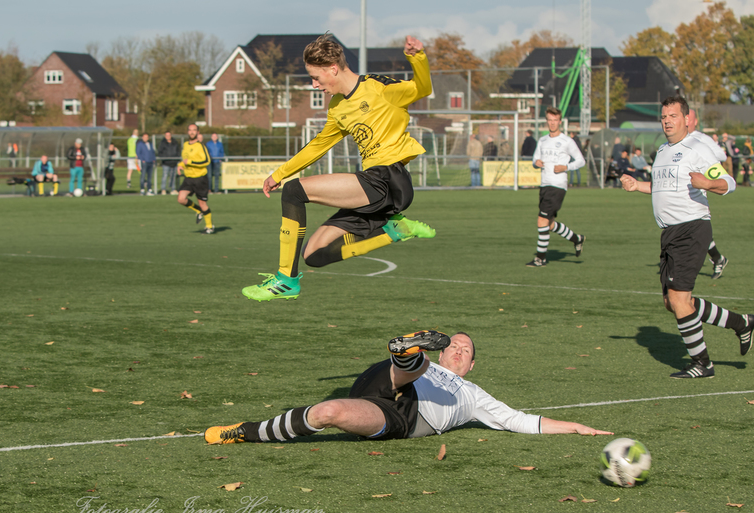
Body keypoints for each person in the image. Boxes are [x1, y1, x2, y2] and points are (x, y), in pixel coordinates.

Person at [241, 34, 435, 302]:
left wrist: (417, 57)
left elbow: (422, 88)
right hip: (373, 187)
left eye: (316, 78)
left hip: (388, 179)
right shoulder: (338, 106)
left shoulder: (378, 88)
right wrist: (279, 173)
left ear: (333, 68)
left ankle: (285, 280)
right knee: (314, 255)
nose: (314, 84)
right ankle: (394, 231)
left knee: (294, 192)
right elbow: (319, 145)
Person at [205, 330, 613, 445]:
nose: (457, 351)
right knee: (413, 367)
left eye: (464, 349)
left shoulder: (474, 397)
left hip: (403, 416)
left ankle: (245, 430)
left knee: (327, 413)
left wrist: (576, 426)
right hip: (389, 377)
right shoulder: (434, 366)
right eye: (452, 345)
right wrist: (414, 363)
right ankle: (406, 353)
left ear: (472, 364)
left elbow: (521, 421)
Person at [619, 95, 753, 379]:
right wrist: (637, 186)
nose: (667, 121)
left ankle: (703, 363)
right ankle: (741, 323)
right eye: (664, 117)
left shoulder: (696, 148)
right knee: (673, 302)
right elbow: (660, 187)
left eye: (673, 116)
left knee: (680, 299)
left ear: (686, 118)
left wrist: (707, 183)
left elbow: (728, 182)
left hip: (692, 229)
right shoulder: (663, 150)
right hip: (669, 234)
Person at [526, 107, 586, 267]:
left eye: (555, 120)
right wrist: (536, 163)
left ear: (560, 122)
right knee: (549, 223)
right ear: (547, 121)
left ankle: (540, 258)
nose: (552, 123)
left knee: (541, 220)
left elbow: (581, 161)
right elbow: (535, 159)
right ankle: (577, 239)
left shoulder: (567, 141)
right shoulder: (542, 140)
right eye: (549, 120)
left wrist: (565, 167)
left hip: (558, 185)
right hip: (544, 184)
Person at [686, 110, 730, 279]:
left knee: (696, 227)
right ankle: (717, 258)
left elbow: (721, 155)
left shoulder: (701, 139)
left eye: (690, 118)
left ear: (695, 121)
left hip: (697, 185)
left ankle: (716, 258)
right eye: (684, 117)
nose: (687, 120)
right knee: (691, 229)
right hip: (681, 188)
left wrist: (703, 158)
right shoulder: (676, 140)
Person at [177, 123, 215, 234]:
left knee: (203, 204)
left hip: (200, 179)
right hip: (188, 178)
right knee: (181, 199)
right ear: (188, 132)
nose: (192, 132)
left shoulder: (201, 146)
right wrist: (181, 165)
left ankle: (209, 227)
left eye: (194, 130)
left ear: (197, 132)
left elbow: (207, 161)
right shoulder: (185, 145)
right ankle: (198, 210)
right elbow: (185, 160)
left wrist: (190, 162)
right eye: (190, 130)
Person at [158, 130, 181, 195]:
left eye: (169, 135)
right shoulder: (162, 143)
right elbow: (160, 152)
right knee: (165, 176)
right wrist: (164, 159)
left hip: (174, 162)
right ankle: (163, 189)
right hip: (166, 163)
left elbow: (178, 151)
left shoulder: (175, 142)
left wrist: (177, 159)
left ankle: (173, 189)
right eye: (166, 135)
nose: (168, 136)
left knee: (173, 176)